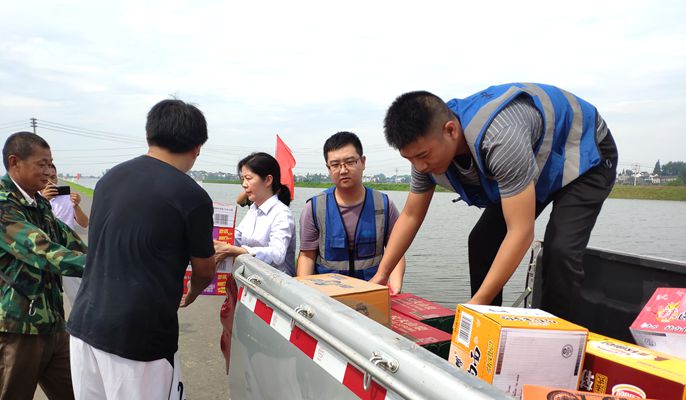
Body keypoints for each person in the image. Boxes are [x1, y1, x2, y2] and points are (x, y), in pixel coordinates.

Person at [371, 83, 618, 322]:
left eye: (423, 156)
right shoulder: (426, 154)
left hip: (586, 154)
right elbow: (411, 215)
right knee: (482, 241)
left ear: (451, 130)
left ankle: (554, 335)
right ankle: (487, 325)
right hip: (535, 161)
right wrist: (381, 275)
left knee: (560, 250)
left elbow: (520, 232)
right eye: (410, 159)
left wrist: (476, 304)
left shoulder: (500, 138)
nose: (420, 166)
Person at [66, 99, 217, 400]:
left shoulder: (109, 179)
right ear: (197, 148)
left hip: (85, 323)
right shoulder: (192, 196)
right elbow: (204, 269)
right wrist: (192, 292)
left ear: (149, 135)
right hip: (139, 338)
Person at [0, 132, 87, 400]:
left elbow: (70, 240)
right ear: (15, 162)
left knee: (78, 392)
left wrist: (120, 254)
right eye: (42, 164)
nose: (49, 171)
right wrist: (105, 266)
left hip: (52, 324)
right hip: (18, 328)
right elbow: (43, 251)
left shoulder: (39, 204)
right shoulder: (4, 204)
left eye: (51, 164)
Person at [297, 131, 406, 294]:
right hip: (327, 295)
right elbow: (307, 256)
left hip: (372, 291)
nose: (343, 170)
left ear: (362, 162)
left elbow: (396, 251)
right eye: (335, 165)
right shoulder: (314, 208)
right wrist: (305, 294)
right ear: (328, 168)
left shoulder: (383, 205)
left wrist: (395, 287)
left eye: (349, 162)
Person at [214, 152, 296, 276]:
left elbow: (277, 254)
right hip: (252, 279)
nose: (244, 184)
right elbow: (237, 238)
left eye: (248, 178)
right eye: (243, 179)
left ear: (268, 180)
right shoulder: (253, 209)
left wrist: (238, 251)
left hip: (276, 283)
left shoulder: (282, 214)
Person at [41, 164, 89, 229]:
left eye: (53, 177)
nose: (50, 182)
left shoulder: (68, 198)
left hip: (67, 235)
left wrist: (76, 206)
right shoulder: (32, 198)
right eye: (45, 178)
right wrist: (43, 200)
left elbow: (85, 224)